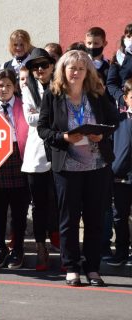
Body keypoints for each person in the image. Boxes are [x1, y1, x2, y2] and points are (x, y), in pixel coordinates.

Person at [37, 50, 118, 287]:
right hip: (67, 167)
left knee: (94, 219)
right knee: (69, 220)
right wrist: (62, 136)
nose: (76, 72)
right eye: (72, 68)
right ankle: (71, 267)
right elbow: (42, 128)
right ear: (63, 70)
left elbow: (114, 119)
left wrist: (101, 133)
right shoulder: (53, 95)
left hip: (97, 166)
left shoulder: (96, 93)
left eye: (81, 69)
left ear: (87, 72)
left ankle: (93, 268)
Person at [0, 69, 30, 270]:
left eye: (8, 85)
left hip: (18, 158)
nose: (4, 89)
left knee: (19, 210)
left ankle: (17, 248)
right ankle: (0, 247)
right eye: (0, 85)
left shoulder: (23, 106)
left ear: (15, 87)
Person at [20, 48, 60, 270]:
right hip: (36, 153)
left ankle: (61, 245)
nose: (40, 70)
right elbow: (30, 119)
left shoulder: (59, 86)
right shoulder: (27, 88)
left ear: (52, 65)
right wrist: (50, 115)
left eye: (44, 65)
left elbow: (60, 116)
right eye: (35, 67)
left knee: (59, 201)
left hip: (58, 150)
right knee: (39, 204)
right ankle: (40, 248)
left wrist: (44, 115)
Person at [109, 79, 132, 267]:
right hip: (120, 177)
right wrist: (113, 168)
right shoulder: (118, 121)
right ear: (126, 98)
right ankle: (122, 252)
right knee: (120, 216)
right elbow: (109, 147)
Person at [107, 22, 132, 107]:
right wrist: (123, 98)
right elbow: (111, 83)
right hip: (125, 106)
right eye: (129, 36)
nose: (131, 39)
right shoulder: (119, 57)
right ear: (124, 38)